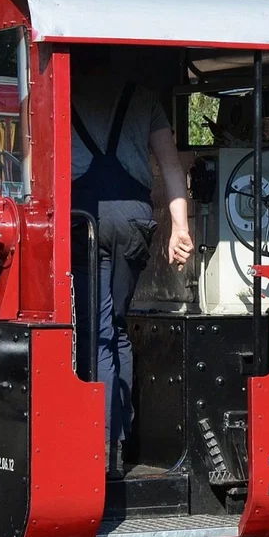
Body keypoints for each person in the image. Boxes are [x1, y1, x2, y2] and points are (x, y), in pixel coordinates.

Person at [70, 47, 194, 475]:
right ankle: (118, 442)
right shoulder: (143, 97)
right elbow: (171, 167)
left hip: (83, 217)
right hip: (134, 220)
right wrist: (180, 227)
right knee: (117, 327)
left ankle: (98, 447)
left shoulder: (64, 90)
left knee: (95, 331)